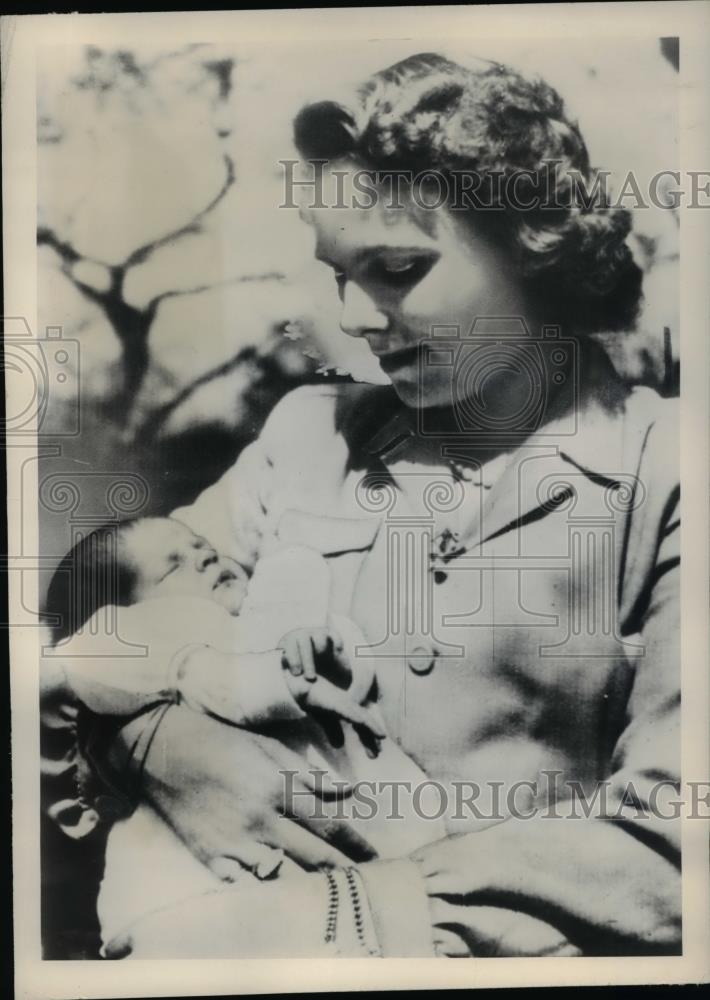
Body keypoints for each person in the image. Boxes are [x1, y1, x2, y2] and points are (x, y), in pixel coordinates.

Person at [42, 52, 680, 958]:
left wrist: (321, 923)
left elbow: (674, 853)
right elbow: (108, 620)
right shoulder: (306, 437)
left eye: (397, 267)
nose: (359, 319)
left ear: (532, 241)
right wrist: (159, 745)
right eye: (340, 273)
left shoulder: (669, 469)